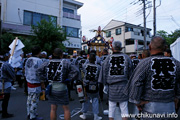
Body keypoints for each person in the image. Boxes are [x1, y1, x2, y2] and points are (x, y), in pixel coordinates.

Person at [124, 36, 180, 119]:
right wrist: (178, 97)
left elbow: (136, 82)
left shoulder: (145, 63)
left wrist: (137, 101)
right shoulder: (176, 63)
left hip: (150, 108)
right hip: (170, 106)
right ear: (166, 47)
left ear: (150, 47)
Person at [37, 48, 79, 120]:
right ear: (61, 54)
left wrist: (43, 80)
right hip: (62, 87)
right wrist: (69, 78)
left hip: (51, 87)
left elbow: (38, 71)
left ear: (53, 54)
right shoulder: (65, 62)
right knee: (66, 108)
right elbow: (76, 70)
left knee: (53, 108)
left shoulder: (47, 62)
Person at [99, 41, 133, 120]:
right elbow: (131, 73)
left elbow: (104, 72)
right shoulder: (127, 58)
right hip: (124, 86)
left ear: (112, 48)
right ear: (121, 48)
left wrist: (104, 84)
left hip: (112, 87)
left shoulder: (108, 58)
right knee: (124, 108)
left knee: (111, 109)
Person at [80, 53, 102, 120]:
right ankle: (96, 116)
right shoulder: (98, 67)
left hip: (86, 85)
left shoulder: (84, 65)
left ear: (88, 59)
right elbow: (99, 77)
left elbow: (82, 74)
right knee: (95, 100)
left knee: (86, 99)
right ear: (95, 59)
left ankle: (84, 114)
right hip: (94, 85)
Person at [25, 46, 45, 120]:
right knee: (34, 100)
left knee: (29, 99)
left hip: (29, 81)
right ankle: (32, 116)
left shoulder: (28, 59)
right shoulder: (38, 60)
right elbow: (40, 73)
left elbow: (26, 70)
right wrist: (42, 83)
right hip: (36, 82)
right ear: (39, 52)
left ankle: (29, 113)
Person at [0, 51, 16, 118]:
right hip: (4, 83)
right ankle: (4, 113)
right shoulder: (5, 65)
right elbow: (11, 74)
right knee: (5, 99)